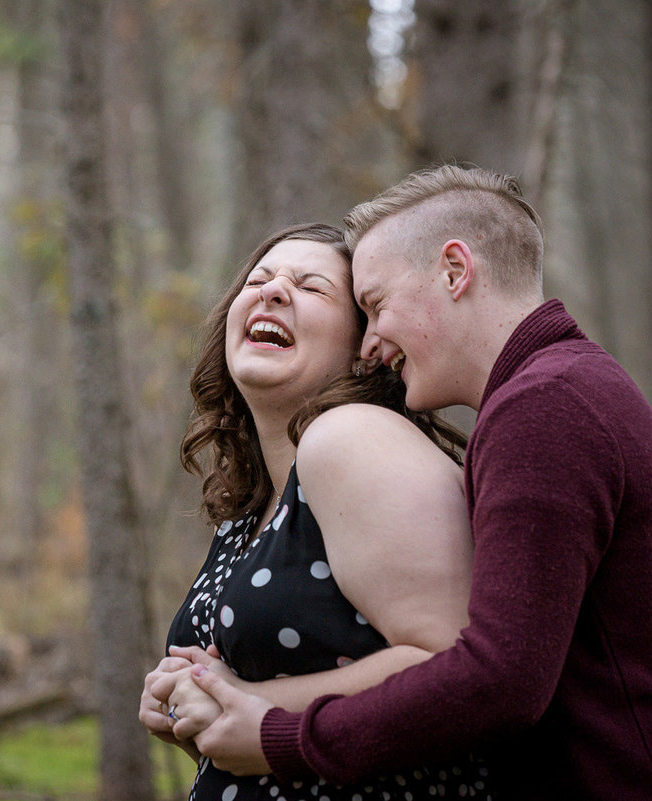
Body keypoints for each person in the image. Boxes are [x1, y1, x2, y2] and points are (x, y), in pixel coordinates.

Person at [173, 166, 652, 800]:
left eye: (375, 305)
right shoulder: (552, 395)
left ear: (454, 271)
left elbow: (497, 679)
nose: (372, 345)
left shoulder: (546, 404)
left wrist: (276, 734)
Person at [139, 222, 494, 800]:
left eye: (311, 287)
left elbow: (452, 662)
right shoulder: (253, 507)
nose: (272, 291)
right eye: (258, 279)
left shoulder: (351, 437)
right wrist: (188, 705)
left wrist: (246, 706)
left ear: (366, 350)